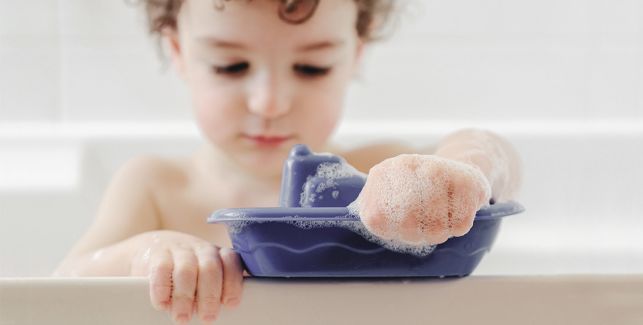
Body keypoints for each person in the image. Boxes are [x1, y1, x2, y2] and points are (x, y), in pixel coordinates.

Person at [53, 0, 522, 324]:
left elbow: (495, 157)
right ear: (179, 52)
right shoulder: (156, 187)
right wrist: (147, 252)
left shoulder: (379, 171)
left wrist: (462, 170)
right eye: (230, 66)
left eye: (311, 68)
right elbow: (60, 286)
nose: (270, 102)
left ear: (354, 55)